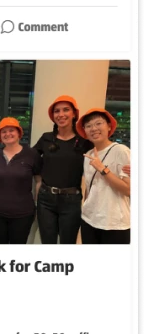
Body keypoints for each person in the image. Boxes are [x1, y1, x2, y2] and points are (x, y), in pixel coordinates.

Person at [32, 95, 92, 244]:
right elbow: (28, 159)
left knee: (68, 243)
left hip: (71, 201)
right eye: (57, 111)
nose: (61, 114)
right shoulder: (46, 138)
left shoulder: (85, 143)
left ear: (74, 114)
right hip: (46, 199)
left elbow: (101, 159)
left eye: (66, 110)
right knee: (48, 243)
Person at [77, 109, 131, 244]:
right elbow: (90, 188)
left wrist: (102, 169)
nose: (93, 129)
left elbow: (128, 190)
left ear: (108, 126)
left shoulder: (121, 151)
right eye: (88, 126)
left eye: (98, 123)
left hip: (114, 223)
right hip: (89, 219)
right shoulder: (88, 154)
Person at [0, 117, 41, 244]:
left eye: (11, 130)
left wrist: (37, 204)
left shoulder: (32, 155)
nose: (8, 134)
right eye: (4, 131)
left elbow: (38, 181)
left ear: (19, 133)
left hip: (23, 213)